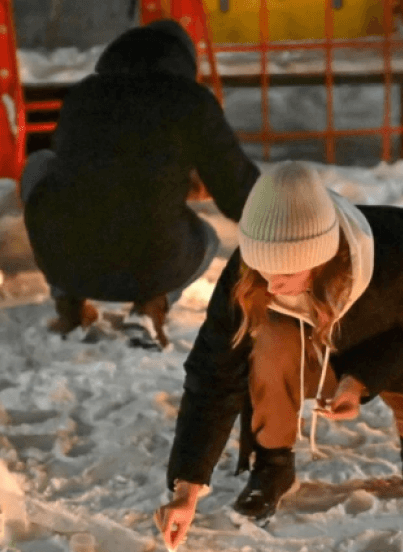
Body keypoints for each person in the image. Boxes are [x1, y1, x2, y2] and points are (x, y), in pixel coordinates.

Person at [154, 161, 403, 546]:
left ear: (321, 258)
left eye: (285, 273)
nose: (271, 282)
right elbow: (213, 370)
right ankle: (273, 464)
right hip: (317, 349)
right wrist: (187, 487)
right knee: (270, 335)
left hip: (402, 349)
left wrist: (361, 379)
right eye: (262, 269)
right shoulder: (253, 271)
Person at [21, 19, 260, 349]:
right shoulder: (190, 100)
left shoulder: (83, 94)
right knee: (207, 237)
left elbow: (76, 169)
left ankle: (69, 303)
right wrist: (291, 219)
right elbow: (238, 192)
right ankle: (149, 310)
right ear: (183, 62)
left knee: (38, 166)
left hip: (67, 259)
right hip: (151, 263)